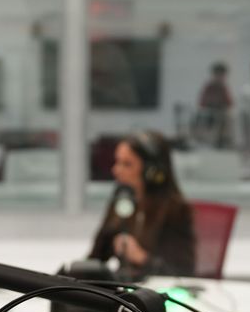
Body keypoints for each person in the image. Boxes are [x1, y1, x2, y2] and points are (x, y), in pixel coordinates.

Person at [88, 131, 196, 279]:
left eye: (127, 164)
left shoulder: (175, 210)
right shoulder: (121, 201)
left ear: (152, 171)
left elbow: (183, 272)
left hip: (158, 296)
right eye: (117, 162)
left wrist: (142, 258)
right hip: (125, 293)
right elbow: (95, 259)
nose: (116, 170)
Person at [195, 61, 234, 148]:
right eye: (218, 74)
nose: (219, 77)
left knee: (228, 116)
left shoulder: (224, 88)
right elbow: (202, 102)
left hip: (220, 115)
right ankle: (200, 138)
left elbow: (230, 103)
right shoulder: (208, 87)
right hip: (209, 114)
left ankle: (224, 140)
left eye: (221, 75)